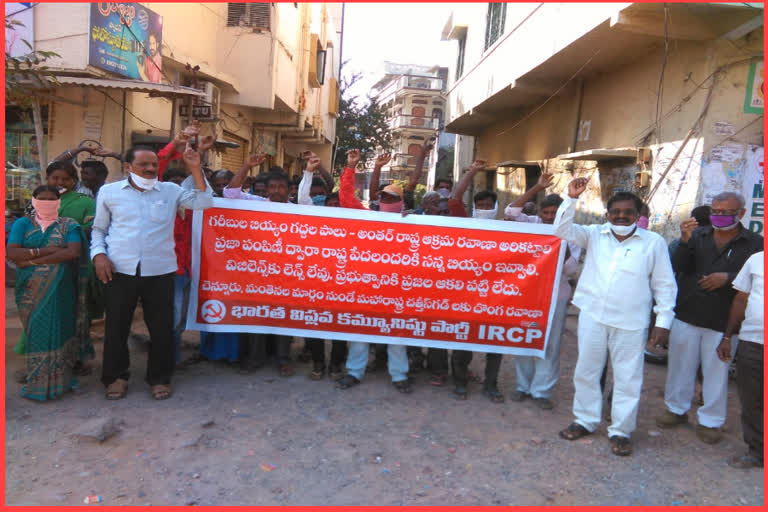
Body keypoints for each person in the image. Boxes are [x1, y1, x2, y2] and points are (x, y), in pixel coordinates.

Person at [555, 179, 677, 456]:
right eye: (616, 212)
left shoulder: (653, 242)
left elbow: (665, 285)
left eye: (628, 212)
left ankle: (621, 431)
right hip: (593, 316)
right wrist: (571, 199)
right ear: (607, 214)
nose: (621, 216)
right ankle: (585, 420)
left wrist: (663, 322)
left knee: (627, 379)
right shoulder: (594, 234)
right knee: (586, 372)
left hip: (632, 322)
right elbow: (561, 230)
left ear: (637, 215)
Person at [91, 143, 213, 401]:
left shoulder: (171, 191)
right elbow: (99, 229)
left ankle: (159, 378)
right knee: (116, 327)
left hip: (160, 271)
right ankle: (116, 377)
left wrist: (194, 167)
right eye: (142, 165)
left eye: (153, 165)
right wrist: (98, 254)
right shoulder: (109, 192)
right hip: (119, 269)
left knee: (161, 328)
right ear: (127, 167)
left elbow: (204, 201)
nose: (149, 169)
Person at [656, 192, 763, 444]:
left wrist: (727, 277)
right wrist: (683, 241)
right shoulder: (698, 235)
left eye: (727, 212)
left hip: (723, 318)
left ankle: (711, 421)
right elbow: (679, 266)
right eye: (716, 210)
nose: (719, 216)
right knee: (680, 366)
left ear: (742, 214)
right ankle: (676, 410)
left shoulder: (754, 243)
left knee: (717, 371)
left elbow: (755, 275)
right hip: (689, 311)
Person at [336, 149, 412, 393]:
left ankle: (399, 376)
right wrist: (350, 166)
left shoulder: (413, 225)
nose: (387, 202)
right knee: (360, 331)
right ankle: (354, 372)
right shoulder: (367, 218)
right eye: (384, 198)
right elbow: (347, 198)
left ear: (401, 202)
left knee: (397, 337)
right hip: (366, 286)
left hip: (396, 290)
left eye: (392, 198)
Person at [504, 173, 582, 409]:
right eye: (546, 213)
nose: (549, 218)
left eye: (554, 214)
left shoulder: (574, 233)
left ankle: (541, 392)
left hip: (556, 296)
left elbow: (570, 269)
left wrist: (561, 242)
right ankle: (522, 386)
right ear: (539, 214)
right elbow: (510, 212)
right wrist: (536, 187)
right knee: (524, 339)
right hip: (527, 294)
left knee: (550, 343)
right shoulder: (533, 226)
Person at [225, 154, 304, 376]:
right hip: (258, 273)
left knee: (283, 318)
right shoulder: (255, 204)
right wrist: (247, 165)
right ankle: (255, 358)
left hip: (287, 274)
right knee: (256, 315)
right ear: (266, 189)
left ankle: (283, 359)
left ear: (289, 190)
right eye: (273, 187)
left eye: (281, 187)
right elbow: (229, 194)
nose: (277, 191)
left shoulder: (301, 211)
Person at [6, 185, 83, 400]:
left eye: (52, 199)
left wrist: (29, 259)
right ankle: (38, 384)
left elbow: (73, 252)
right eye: (42, 199)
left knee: (60, 329)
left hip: (61, 290)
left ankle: (62, 382)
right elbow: (12, 252)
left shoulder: (69, 225)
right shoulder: (22, 223)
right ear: (33, 201)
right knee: (36, 332)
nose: (47, 202)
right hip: (29, 290)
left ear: (58, 203)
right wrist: (48, 251)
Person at [446, 159, 506, 402]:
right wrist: (472, 171)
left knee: (495, 344)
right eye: (479, 204)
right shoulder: (465, 222)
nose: (483, 207)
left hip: (497, 294)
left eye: (487, 204)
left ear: (495, 206)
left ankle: (491, 386)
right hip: (466, 293)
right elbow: (454, 199)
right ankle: (460, 383)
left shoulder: (507, 228)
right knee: (463, 340)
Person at [45, 160, 97, 373]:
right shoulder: (40, 199)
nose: (59, 182)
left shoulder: (84, 202)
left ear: (74, 181)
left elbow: (91, 229)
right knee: (44, 313)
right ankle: (43, 361)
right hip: (43, 266)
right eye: (54, 178)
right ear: (47, 179)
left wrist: (61, 233)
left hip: (75, 265)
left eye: (65, 179)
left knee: (76, 312)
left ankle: (76, 359)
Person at [717, 251, 763, 469]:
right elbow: (741, 299)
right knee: (752, 400)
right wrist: (727, 336)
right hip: (753, 341)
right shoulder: (756, 260)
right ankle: (757, 451)